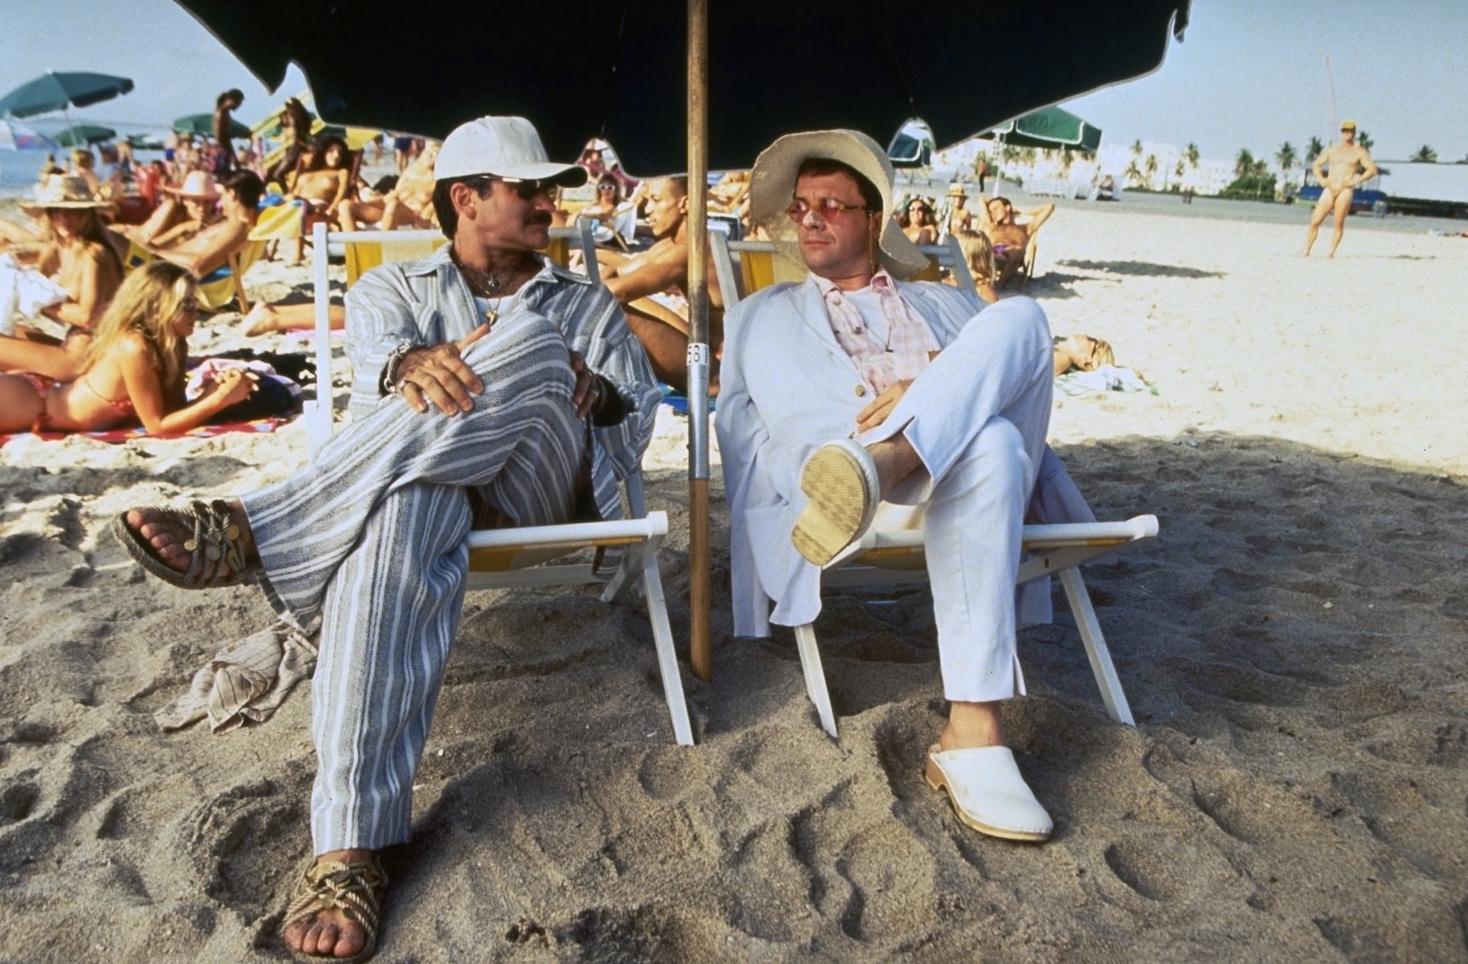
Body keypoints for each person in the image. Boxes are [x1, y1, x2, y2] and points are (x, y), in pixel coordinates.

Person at [113, 116, 659, 963]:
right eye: (530, 189)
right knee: (403, 512)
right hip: (422, 481)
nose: (550, 203)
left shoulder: (585, 302)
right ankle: (348, 850)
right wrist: (410, 366)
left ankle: (264, 528)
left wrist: (587, 385)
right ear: (465, 198)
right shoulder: (389, 291)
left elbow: (636, 418)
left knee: (537, 344)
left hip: (543, 489)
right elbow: (380, 391)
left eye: (552, 189)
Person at [718, 129, 1093, 847]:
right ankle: (973, 735)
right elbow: (759, 435)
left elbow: (1014, 382)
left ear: (872, 219)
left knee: (1021, 321)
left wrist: (925, 390)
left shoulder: (947, 303)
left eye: (833, 204)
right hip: (847, 481)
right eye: (801, 207)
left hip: (941, 481)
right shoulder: (761, 317)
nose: (812, 218)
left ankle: (893, 457)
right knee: (991, 437)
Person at [0, 261, 257, 435]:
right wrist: (219, 399)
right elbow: (157, 427)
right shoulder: (134, 347)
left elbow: (174, 412)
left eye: (194, 304)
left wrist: (214, 391)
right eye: (185, 305)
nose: (196, 314)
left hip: (42, 400)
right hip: (31, 403)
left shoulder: (173, 342)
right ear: (156, 309)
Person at [596, 175, 724, 392]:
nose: (647, 210)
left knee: (611, 309)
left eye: (656, 200)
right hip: (704, 348)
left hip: (718, 372)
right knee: (620, 301)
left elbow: (616, 292)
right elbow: (620, 270)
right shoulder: (673, 245)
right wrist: (599, 261)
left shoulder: (690, 250)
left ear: (684, 204)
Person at [0, 175, 125, 380]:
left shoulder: (93, 254)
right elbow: (37, 278)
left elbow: (87, 317)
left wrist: (37, 300)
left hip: (84, 358)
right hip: (76, 345)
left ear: (87, 213)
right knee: (17, 330)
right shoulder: (63, 246)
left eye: (72, 212)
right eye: (56, 211)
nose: (63, 220)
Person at [135, 170, 264, 279]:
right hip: (162, 262)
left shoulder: (236, 227)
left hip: (160, 269)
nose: (221, 201)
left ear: (232, 194)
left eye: (223, 195)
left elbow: (197, 266)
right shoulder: (239, 224)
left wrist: (156, 252)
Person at [1304, 119, 1379, 258]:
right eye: (1345, 131)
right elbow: (1316, 164)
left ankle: (1330, 253)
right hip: (1330, 187)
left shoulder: (1359, 152)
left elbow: (1372, 169)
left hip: (1345, 189)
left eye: (1350, 131)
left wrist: (1357, 180)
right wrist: (1321, 179)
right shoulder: (1332, 150)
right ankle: (1307, 250)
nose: (1347, 133)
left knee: (1338, 223)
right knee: (1315, 220)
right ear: (1341, 132)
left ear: (1354, 133)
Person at [337, 142, 440, 231]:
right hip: (390, 210)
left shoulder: (440, 180)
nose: (431, 156)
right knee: (345, 205)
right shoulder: (410, 172)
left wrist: (430, 210)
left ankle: (382, 249)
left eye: (436, 154)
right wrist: (371, 202)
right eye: (429, 152)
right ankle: (353, 249)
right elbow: (394, 194)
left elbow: (438, 206)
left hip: (413, 216)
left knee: (393, 206)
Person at [978, 196, 1054, 287]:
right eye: (990, 211)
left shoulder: (1026, 228)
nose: (993, 212)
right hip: (993, 253)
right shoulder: (992, 226)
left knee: (1016, 250)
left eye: (996, 208)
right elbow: (982, 199)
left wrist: (1022, 211)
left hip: (1014, 255)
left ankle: (999, 285)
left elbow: (1050, 206)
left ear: (1008, 208)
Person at [212, 88, 245, 175]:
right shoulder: (221, 113)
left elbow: (225, 135)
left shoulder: (224, 112)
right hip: (222, 152)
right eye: (239, 103)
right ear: (231, 100)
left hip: (225, 150)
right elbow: (220, 137)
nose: (239, 106)